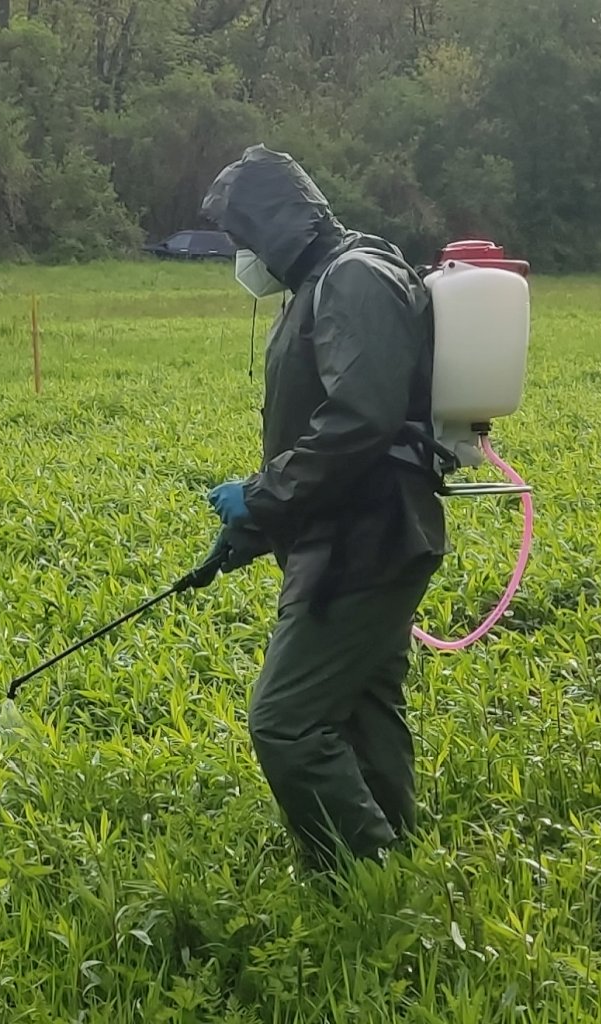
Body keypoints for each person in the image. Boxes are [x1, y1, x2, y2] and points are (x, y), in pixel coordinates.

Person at [201, 144, 448, 873]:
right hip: (354, 532)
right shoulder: (323, 280)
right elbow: (324, 425)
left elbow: (360, 419)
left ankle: (358, 874)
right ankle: (392, 854)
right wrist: (261, 519)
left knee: (286, 721)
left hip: (363, 541)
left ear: (275, 224)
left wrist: (267, 494)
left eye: (244, 235)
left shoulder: (352, 278)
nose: (242, 254)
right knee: (366, 705)